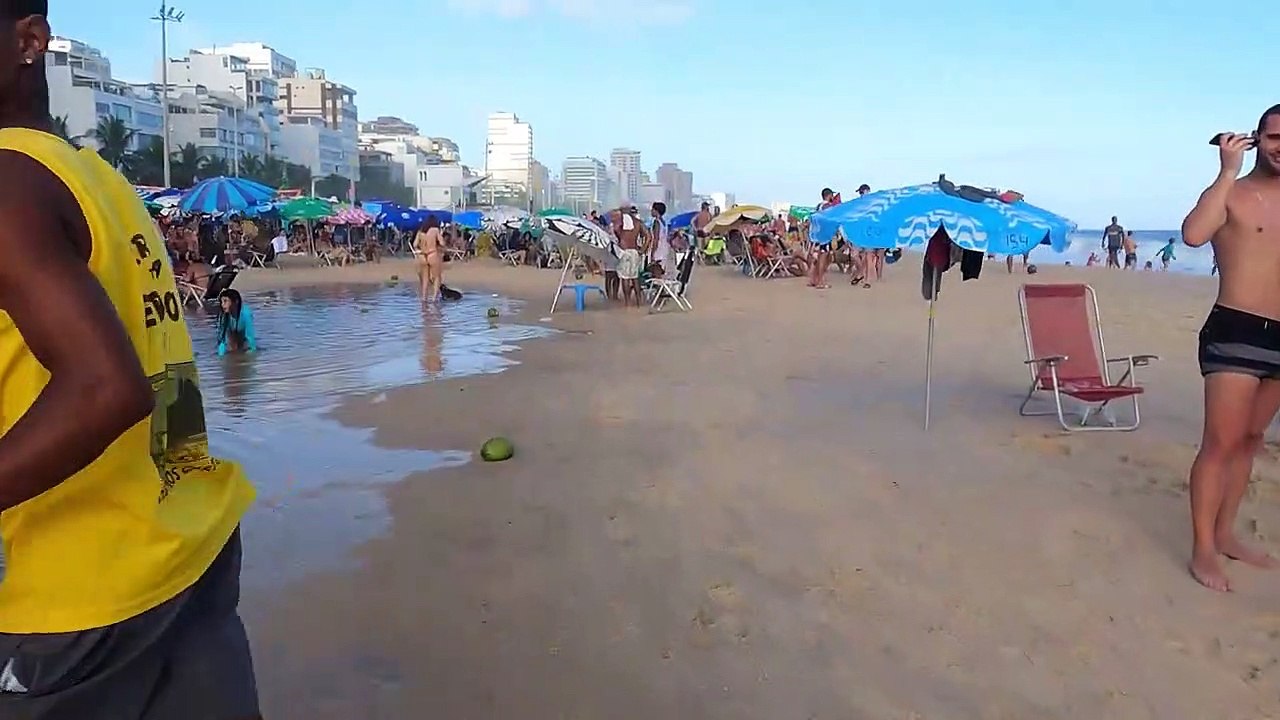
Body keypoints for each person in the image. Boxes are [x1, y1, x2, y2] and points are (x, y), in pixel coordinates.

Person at [0, 3, 260, 716]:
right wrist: (179, 477)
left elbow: (106, 389)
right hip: (190, 545)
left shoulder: (8, 182)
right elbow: (168, 367)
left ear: (28, 41)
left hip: (83, 597)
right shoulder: (101, 181)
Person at [1180, 104, 1280, 592]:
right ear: (1256, 138)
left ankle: (1225, 533)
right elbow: (1194, 235)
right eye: (1275, 136)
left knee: (1249, 442)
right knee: (1219, 444)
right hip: (1236, 329)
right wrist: (1225, 170)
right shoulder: (1233, 193)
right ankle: (1202, 548)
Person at [612, 205, 648, 306]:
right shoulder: (638, 223)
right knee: (635, 278)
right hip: (635, 252)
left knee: (625, 278)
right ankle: (638, 301)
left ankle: (627, 302)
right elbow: (648, 236)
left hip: (624, 252)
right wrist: (642, 249)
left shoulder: (621, 222)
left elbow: (616, 233)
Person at [809, 187, 840, 289]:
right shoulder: (827, 206)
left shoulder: (819, 206)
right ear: (829, 195)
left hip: (817, 236)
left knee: (819, 258)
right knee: (823, 258)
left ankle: (814, 279)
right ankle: (820, 282)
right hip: (824, 237)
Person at [215, 288, 257, 356]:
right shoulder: (224, 315)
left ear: (236, 301)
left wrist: (252, 353)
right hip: (232, 335)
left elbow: (250, 337)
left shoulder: (246, 314)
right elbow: (222, 339)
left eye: (225, 301)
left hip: (244, 336)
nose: (222, 305)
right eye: (221, 302)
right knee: (233, 352)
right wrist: (221, 356)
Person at [413, 215, 443, 302]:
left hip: (423, 255)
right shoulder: (435, 230)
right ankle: (434, 299)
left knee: (425, 279)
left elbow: (415, 245)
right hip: (432, 254)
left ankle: (424, 299)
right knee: (437, 277)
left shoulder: (420, 232)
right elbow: (442, 243)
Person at [648, 201, 672, 278]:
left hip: (659, 248)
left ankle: (658, 287)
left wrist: (652, 252)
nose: (651, 211)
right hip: (664, 247)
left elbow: (656, 238)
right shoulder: (664, 222)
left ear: (656, 211)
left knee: (656, 270)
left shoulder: (656, 222)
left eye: (652, 209)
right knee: (661, 269)